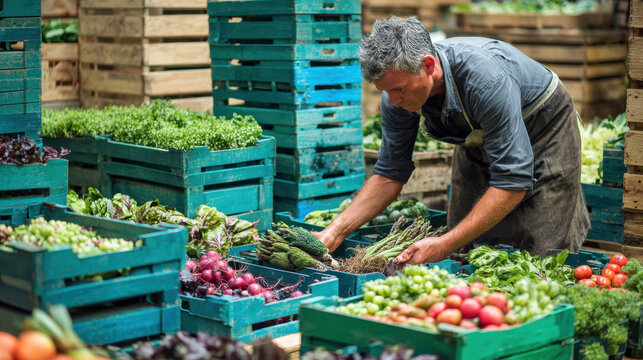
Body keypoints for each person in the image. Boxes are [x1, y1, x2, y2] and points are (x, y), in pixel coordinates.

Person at [315, 16, 590, 264]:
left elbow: (513, 181)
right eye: (386, 92)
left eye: (399, 90)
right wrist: (333, 232)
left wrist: (445, 243)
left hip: (544, 129)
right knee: (466, 246)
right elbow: (389, 173)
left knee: (541, 253)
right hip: (479, 137)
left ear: (428, 65)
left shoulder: (486, 81)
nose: (394, 101)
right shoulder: (396, 96)